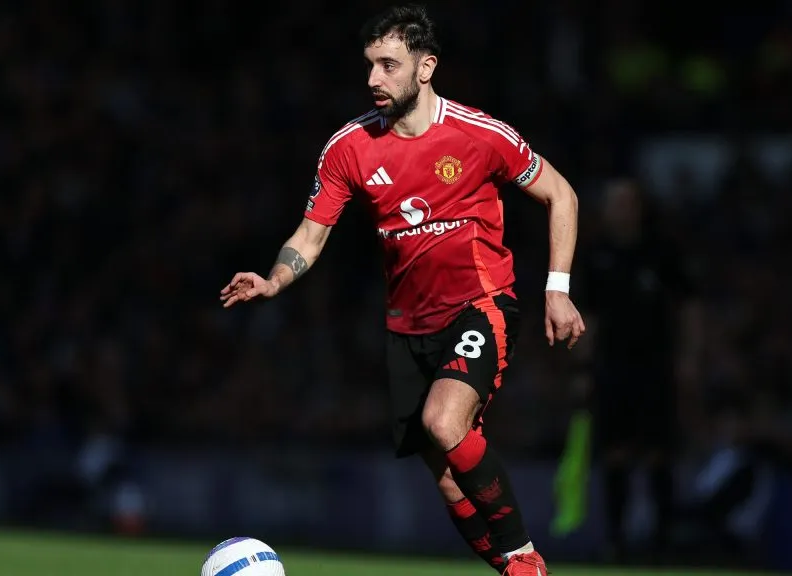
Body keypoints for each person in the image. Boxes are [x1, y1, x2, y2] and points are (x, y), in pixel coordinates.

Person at [219, 5, 585, 575]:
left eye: (389, 65)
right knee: (444, 475)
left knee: (445, 422)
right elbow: (312, 235)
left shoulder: (480, 135)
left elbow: (561, 194)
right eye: (369, 65)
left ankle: (524, 559)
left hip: (479, 304)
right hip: (407, 327)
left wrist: (556, 289)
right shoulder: (350, 147)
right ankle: (510, 570)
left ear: (425, 66)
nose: (374, 80)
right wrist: (274, 279)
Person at [576, 178, 700, 561]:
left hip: (656, 366)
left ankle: (663, 541)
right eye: (614, 203)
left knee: (658, 453)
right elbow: (587, 318)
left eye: (628, 202)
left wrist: (689, 356)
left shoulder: (662, 252)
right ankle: (616, 541)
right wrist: (581, 368)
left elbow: (690, 307)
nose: (621, 210)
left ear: (640, 207)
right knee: (615, 453)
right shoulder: (596, 256)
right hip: (611, 367)